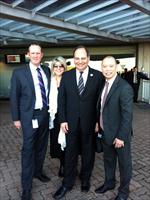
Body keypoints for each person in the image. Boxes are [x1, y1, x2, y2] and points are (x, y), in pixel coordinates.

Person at [53, 45, 104, 200]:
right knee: (70, 154)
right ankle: (67, 183)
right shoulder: (67, 76)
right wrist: (62, 120)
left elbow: (100, 102)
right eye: (77, 58)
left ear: (88, 58)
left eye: (83, 58)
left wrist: (97, 121)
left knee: (88, 153)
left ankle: (85, 179)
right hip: (70, 123)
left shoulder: (98, 76)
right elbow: (61, 100)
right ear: (73, 59)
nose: (80, 61)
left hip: (90, 123)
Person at [10, 44, 51, 200]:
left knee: (41, 147)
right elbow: (14, 96)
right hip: (29, 117)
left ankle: (38, 172)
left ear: (42, 54)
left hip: (44, 115)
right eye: (32, 53)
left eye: (38, 53)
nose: (35, 55)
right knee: (28, 150)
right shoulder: (19, 73)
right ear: (28, 55)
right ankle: (26, 187)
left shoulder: (46, 70)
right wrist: (16, 118)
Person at [95, 56, 133, 200]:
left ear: (116, 67)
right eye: (105, 66)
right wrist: (99, 123)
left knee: (124, 165)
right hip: (106, 133)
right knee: (108, 160)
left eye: (111, 66)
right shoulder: (104, 84)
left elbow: (127, 116)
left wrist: (121, 137)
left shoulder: (124, 87)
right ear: (102, 68)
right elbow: (102, 108)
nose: (107, 69)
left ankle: (123, 192)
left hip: (119, 137)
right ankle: (109, 183)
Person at [49, 56, 66, 177]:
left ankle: (69, 164)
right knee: (57, 142)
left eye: (61, 66)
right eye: (56, 66)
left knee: (69, 142)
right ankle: (62, 164)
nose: (59, 68)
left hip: (67, 116)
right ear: (53, 67)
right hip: (54, 116)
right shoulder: (49, 81)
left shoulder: (69, 79)